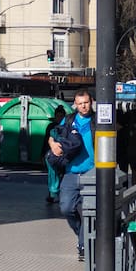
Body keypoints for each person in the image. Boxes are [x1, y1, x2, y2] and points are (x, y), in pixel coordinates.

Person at [47, 89, 95, 262]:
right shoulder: (69, 120)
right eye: (80, 103)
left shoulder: (98, 121)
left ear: (91, 102)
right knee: (66, 208)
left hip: (92, 172)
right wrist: (52, 144)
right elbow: (53, 134)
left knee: (87, 212)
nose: (83, 106)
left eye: (86, 102)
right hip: (71, 172)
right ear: (75, 104)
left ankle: (83, 245)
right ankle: (81, 234)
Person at [43, 104, 67, 204]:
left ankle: (55, 194)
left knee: (59, 175)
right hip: (52, 156)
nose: (59, 118)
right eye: (58, 116)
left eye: (61, 116)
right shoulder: (51, 127)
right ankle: (52, 194)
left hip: (63, 155)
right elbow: (45, 141)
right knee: (53, 175)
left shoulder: (66, 126)